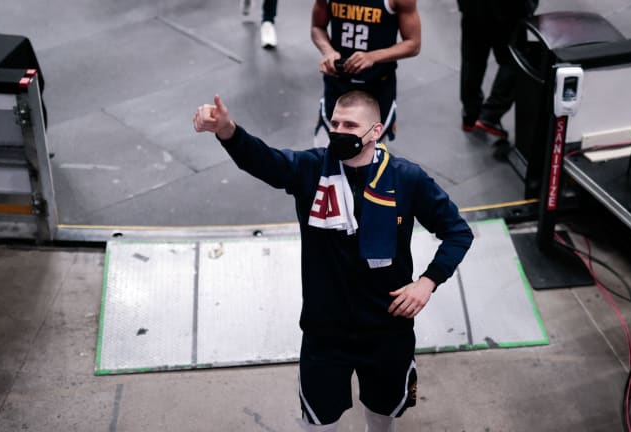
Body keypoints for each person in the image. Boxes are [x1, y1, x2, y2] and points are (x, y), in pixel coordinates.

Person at [193, 90, 473, 431]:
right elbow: (263, 161)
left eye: (350, 125)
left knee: (382, 415)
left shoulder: (407, 179)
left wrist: (427, 282)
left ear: (375, 131)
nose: (338, 131)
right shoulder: (310, 169)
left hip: (387, 328)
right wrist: (227, 130)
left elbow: (458, 232)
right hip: (324, 331)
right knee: (319, 422)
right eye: (335, 123)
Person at [311, 0, 421, 142]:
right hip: (338, 83)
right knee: (326, 146)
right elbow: (317, 27)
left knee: (371, 146)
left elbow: (413, 44)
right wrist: (328, 51)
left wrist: (372, 57)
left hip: (377, 85)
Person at [459, 0, 538, 138]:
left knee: (472, 60)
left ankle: (471, 114)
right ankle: (490, 114)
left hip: (473, 8)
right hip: (509, 11)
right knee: (514, 60)